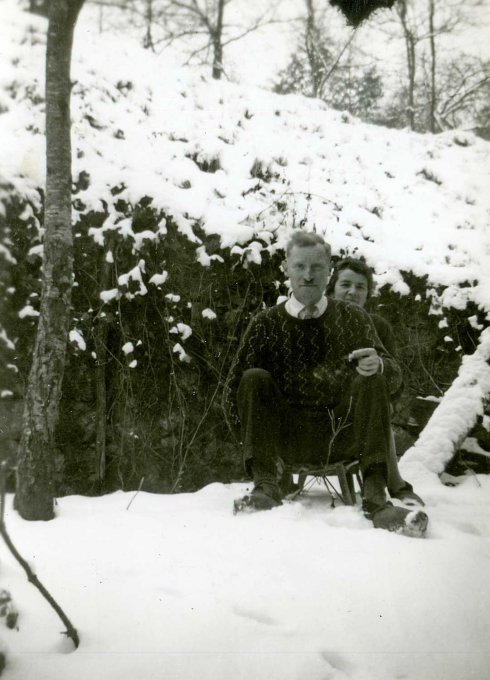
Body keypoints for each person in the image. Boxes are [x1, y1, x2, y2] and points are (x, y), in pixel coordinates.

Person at [222, 231, 428, 537]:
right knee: (254, 378)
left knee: (372, 380)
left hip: (342, 438)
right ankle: (265, 488)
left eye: (317, 267)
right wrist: (260, 451)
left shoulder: (354, 318)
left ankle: (376, 501)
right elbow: (232, 395)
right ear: (287, 269)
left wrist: (380, 365)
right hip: (285, 441)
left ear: (328, 271)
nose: (308, 275)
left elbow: (396, 380)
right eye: (300, 266)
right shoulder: (265, 323)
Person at [326, 257, 424, 507]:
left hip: (365, 403)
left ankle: (391, 485)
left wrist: (378, 366)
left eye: (360, 287)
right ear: (332, 286)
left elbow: (396, 382)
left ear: (368, 293)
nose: (352, 292)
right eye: (345, 284)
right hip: (322, 406)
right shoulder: (317, 318)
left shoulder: (378, 325)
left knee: (376, 398)